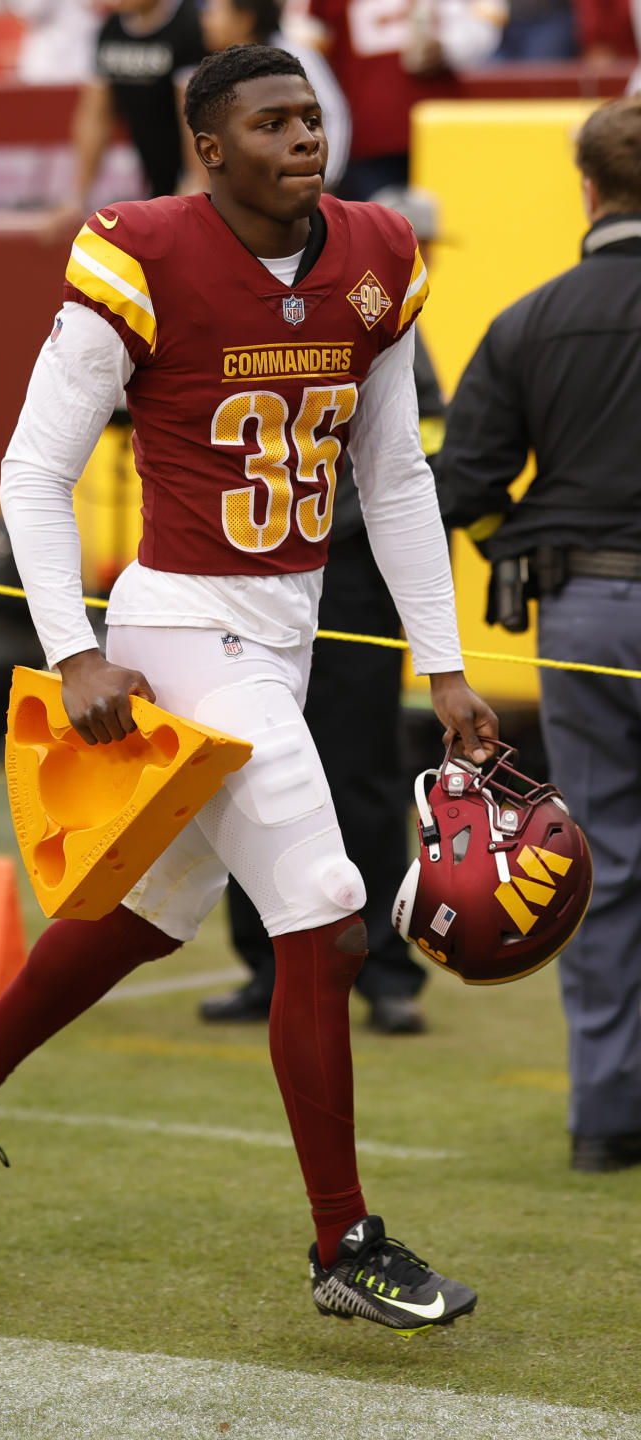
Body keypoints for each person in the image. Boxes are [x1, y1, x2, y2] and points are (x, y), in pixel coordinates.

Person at [0, 45, 498, 1335]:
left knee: (152, 915)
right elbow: (29, 474)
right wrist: (74, 648)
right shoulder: (143, 251)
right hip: (177, 624)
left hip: (285, 629)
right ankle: (345, 1239)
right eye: (270, 122)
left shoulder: (376, 255)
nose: (303, 138)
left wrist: (445, 662)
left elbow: (392, 478)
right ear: (207, 147)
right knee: (328, 910)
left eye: (310, 116)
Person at [435, 95, 641, 1174]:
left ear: (588, 189)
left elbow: (461, 486)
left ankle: (606, 1117)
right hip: (590, 600)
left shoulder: (528, 320)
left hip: (585, 617)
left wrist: (512, 541)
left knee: (599, 861)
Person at [202, 184, 446, 1032]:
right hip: (241, 570)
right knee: (241, 772)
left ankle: (384, 965)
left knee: (363, 767)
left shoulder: (376, 296)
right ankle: (264, 963)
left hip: (346, 570)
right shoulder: (217, 292)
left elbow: (404, 458)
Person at [307, 0, 506, 199]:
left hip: (441, 130)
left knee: (447, 222)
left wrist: (450, 47)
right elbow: (305, 47)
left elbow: (485, 18)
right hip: (371, 137)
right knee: (378, 223)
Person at [45, 0, 207, 242]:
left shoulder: (189, 25)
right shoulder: (111, 29)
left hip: (196, 182)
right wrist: (77, 197)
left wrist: (195, 188)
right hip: (155, 181)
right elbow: (95, 118)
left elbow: (196, 117)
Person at [200, 0, 351, 191]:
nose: (205, 20)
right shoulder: (213, 70)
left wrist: (324, 177)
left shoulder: (293, 57)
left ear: (245, 20)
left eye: (213, 12)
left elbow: (333, 112)